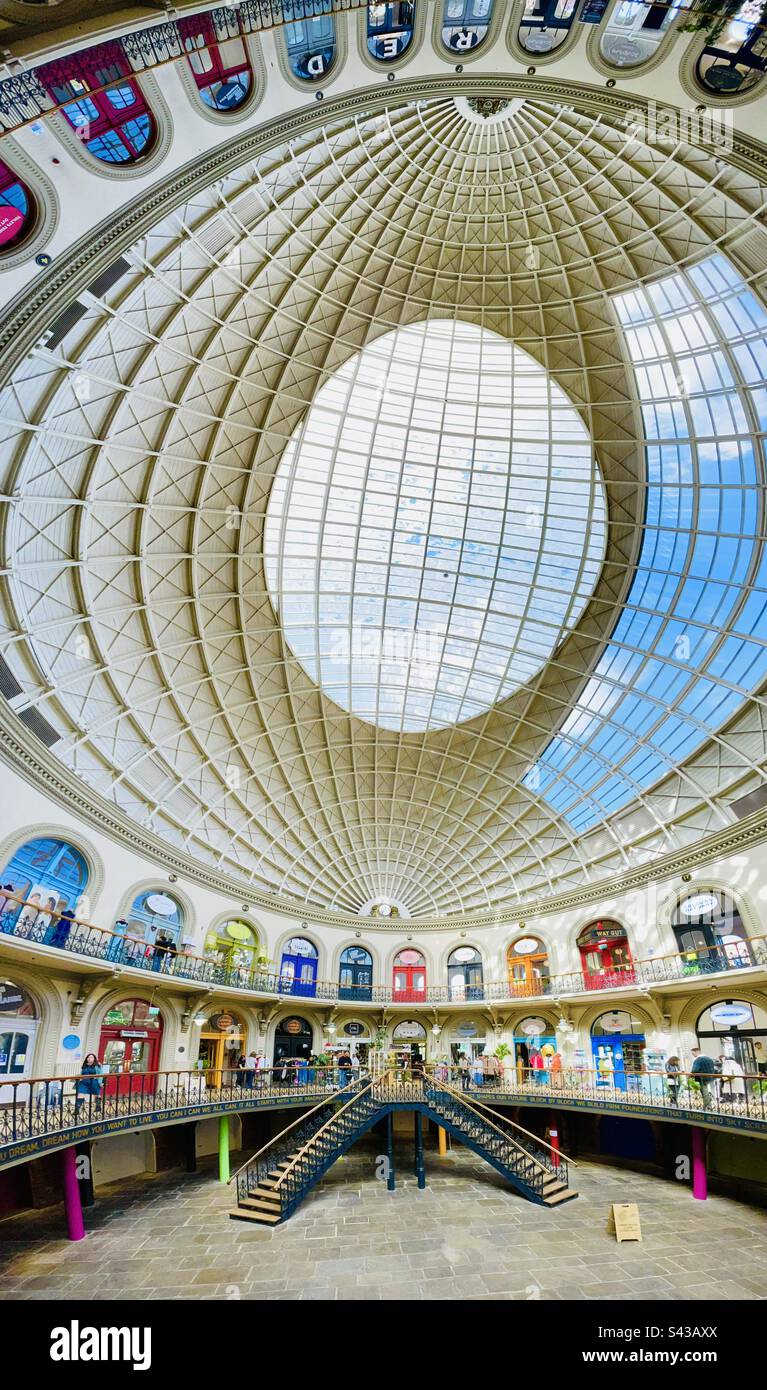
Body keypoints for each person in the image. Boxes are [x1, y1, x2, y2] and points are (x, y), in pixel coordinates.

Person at [75, 1053, 103, 1119]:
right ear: (86, 1058)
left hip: (94, 1082)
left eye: (91, 1057)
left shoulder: (97, 1065)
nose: (89, 1058)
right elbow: (82, 1073)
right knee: (80, 1094)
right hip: (84, 1083)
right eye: (88, 1057)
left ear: (94, 1059)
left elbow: (100, 1074)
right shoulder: (84, 1065)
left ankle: (98, 1107)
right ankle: (77, 1110)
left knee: (96, 1095)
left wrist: (100, 1083)